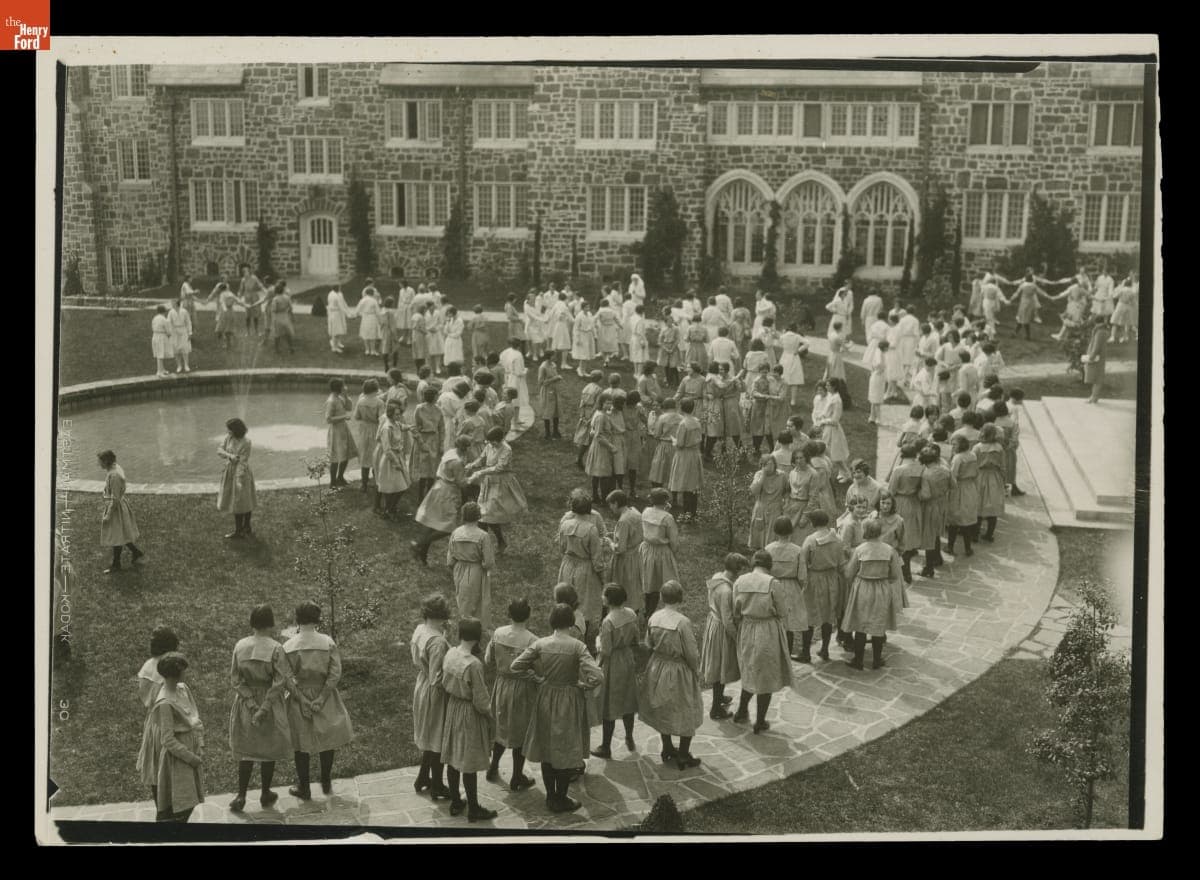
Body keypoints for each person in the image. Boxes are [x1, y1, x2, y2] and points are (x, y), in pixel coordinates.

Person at [510, 603, 605, 814]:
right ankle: (560, 798)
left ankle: (551, 797)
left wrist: (537, 679)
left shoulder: (541, 644)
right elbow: (597, 675)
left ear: (552, 621)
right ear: (571, 622)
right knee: (566, 748)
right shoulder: (577, 646)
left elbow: (515, 666)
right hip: (569, 700)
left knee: (547, 748)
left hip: (546, 698)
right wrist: (584, 685)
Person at [282, 601, 354, 802]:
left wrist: (303, 699)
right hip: (325, 695)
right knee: (327, 735)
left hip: (299, 695)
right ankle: (326, 780)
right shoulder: (327, 642)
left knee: (301, 741)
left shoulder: (288, 646)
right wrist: (322, 697)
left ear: (297, 619)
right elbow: (335, 673)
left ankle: (304, 787)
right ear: (317, 619)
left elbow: (286, 677)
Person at [228, 604, 295, 812]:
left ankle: (241, 795)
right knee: (268, 748)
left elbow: (236, 679)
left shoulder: (240, 646)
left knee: (248, 749)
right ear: (271, 623)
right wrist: (264, 708)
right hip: (269, 702)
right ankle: (265, 792)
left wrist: (250, 703)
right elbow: (280, 681)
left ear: (252, 623)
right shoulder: (276, 648)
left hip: (246, 705)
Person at [635, 580, 703, 770]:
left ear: (662, 598)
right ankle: (682, 754)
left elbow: (648, 644)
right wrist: (695, 669)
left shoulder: (654, 618)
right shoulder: (682, 622)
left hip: (658, 667)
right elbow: (691, 652)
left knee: (663, 708)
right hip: (679, 669)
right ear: (680, 598)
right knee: (686, 709)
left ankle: (667, 747)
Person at [437, 618, 499, 822]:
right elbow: (481, 700)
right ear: (478, 637)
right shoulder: (473, 664)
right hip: (469, 713)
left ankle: (456, 801)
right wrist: (491, 717)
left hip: (453, 708)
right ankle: (473, 808)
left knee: (454, 757)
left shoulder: (451, 653)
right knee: (468, 761)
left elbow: (443, 682)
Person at [136, 652, 204, 822]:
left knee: (190, 800)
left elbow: (195, 716)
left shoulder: (183, 689)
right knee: (179, 804)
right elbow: (167, 739)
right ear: (177, 672)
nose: (186, 673)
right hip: (178, 760)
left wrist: (199, 744)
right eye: (184, 670)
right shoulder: (164, 702)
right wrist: (191, 758)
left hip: (191, 749)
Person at [731, 550, 794, 734]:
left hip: (747, 628)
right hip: (766, 629)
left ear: (753, 564)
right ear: (769, 565)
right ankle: (759, 721)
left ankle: (742, 711)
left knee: (750, 670)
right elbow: (782, 611)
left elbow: (735, 610)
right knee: (766, 674)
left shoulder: (740, 581)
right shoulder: (773, 583)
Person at [484, 598, 539, 791]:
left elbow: (488, 658)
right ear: (529, 614)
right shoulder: (532, 640)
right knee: (520, 732)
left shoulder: (498, 633)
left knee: (502, 726)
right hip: (522, 688)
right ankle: (517, 776)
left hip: (502, 685)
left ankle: (493, 767)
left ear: (509, 614)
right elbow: (538, 668)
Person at [841, 520, 905, 670]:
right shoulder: (889, 550)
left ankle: (858, 660)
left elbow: (849, 573)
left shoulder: (860, 550)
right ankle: (877, 659)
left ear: (866, 532)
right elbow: (895, 575)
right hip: (882, 588)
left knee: (860, 625)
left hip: (863, 587)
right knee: (879, 623)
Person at [589, 584, 641, 759]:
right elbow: (636, 638)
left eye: (604, 595)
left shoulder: (608, 621)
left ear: (609, 600)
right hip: (627, 659)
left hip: (613, 664)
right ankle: (629, 737)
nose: (601, 597)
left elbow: (606, 650)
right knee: (627, 699)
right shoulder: (632, 614)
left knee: (608, 704)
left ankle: (605, 746)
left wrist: (598, 657)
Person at [410, 594, 453, 800]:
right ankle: (437, 784)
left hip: (422, 684)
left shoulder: (421, 630)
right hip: (434, 691)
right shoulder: (438, 642)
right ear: (444, 615)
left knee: (430, 735)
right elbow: (438, 677)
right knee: (437, 737)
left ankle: (422, 778)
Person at [701, 553, 748, 720]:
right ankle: (715, 709)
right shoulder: (726, 590)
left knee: (718, 664)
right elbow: (728, 621)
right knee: (721, 667)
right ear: (737, 570)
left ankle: (719, 698)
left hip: (713, 623)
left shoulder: (717, 577)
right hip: (721, 629)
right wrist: (738, 638)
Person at [799, 509, 847, 660]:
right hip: (832, 579)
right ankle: (824, 649)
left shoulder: (810, 540)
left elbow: (802, 563)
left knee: (809, 615)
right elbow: (841, 564)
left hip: (814, 579)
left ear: (813, 523)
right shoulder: (838, 539)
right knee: (827, 616)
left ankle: (806, 652)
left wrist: (801, 581)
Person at [446, 502, 496, 630]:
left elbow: (450, 559)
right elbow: (489, 561)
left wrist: (455, 566)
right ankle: (473, 627)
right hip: (476, 569)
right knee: (478, 600)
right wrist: (483, 566)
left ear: (463, 516)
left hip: (458, 568)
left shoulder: (456, 533)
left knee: (462, 598)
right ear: (478, 516)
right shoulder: (483, 536)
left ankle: (466, 622)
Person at [764, 516, 808, 662]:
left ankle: (775, 656)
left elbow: (764, 571)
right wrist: (800, 587)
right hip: (791, 586)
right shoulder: (797, 550)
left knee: (774, 621)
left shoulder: (768, 549)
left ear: (775, 532)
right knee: (788, 624)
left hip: (772, 584)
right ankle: (787, 657)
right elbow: (802, 575)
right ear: (791, 531)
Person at [97, 450, 144, 574]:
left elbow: (115, 498)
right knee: (121, 533)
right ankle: (136, 552)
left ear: (106, 461)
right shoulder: (115, 468)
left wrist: (108, 514)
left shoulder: (114, 475)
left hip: (116, 508)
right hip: (117, 506)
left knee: (117, 535)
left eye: (100, 461)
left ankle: (116, 564)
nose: (99, 464)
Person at [888, 443, 925, 583]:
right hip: (914, 502)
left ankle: (904, 571)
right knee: (909, 534)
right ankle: (905, 569)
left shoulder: (899, 470)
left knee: (900, 535)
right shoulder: (921, 468)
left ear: (902, 455)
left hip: (901, 502)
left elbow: (891, 490)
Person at [605, 490, 645, 616]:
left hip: (625, 560)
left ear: (616, 503)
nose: (610, 508)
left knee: (623, 587)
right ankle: (635, 614)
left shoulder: (623, 521)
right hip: (637, 555)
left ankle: (622, 616)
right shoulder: (635, 512)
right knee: (634, 588)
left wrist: (610, 542)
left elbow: (620, 549)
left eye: (611, 505)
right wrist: (616, 535)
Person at [217, 418, 256, 540]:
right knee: (236, 501)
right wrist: (230, 456)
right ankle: (240, 530)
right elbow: (219, 450)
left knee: (244, 500)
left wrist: (239, 480)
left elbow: (242, 461)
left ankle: (246, 527)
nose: (228, 431)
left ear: (236, 430)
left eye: (230, 429)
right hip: (230, 472)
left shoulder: (246, 442)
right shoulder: (228, 438)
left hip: (242, 472)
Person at [917, 445, 952, 577]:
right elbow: (953, 485)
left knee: (929, 536)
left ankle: (928, 568)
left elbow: (925, 495)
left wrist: (917, 494)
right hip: (942, 503)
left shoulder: (926, 474)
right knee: (936, 532)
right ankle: (937, 557)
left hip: (930, 506)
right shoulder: (945, 469)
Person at [668, 398, 704, 522]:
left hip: (684, 455)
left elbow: (680, 443)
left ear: (681, 408)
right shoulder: (697, 421)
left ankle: (687, 514)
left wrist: (674, 441)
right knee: (693, 484)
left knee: (685, 484)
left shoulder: (683, 424)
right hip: (695, 454)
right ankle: (693, 513)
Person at [411, 387, 446, 502]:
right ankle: (421, 496)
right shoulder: (419, 409)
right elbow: (414, 427)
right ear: (433, 397)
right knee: (422, 466)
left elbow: (442, 428)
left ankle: (429, 496)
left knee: (432, 467)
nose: (437, 397)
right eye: (436, 396)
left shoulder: (439, 410)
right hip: (422, 439)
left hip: (434, 440)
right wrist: (420, 442)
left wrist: (441, 445)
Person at [973, 424, 1006, 543]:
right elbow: (1003, 466)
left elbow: (973, 463)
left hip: (980, 477)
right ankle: (989, 534)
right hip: (994, 477)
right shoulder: (999, 448)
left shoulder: (977, 448)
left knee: (978, 504)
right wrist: (1004, 480)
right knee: (993, 505)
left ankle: (975, 534)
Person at [748, 454, 787, 552]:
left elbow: (787, 491)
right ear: (762, 465)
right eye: (766, 464)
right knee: (759, 531)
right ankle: (759, 552)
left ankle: (771, 552)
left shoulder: (782, 475)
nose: (769, 467)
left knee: (773, 532)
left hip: (776, 506)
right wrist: (763, 476)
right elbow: (754, 491)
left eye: (771, 464)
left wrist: (785, 502)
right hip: (761, 506)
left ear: (775, 464)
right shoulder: (759, 474)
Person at [324, 378, 358, 489]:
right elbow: (328, 419)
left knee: (345, 454)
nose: (345, 387)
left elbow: (349, 407)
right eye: (344, 386)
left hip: (343, 429)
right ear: (338, 388)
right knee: (335, 457)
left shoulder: (340, 398)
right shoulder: (331, 401)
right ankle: (332, 482)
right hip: (336, 432)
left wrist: (346, 395)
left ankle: (340, 477)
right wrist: (343, 417)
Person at [647, 398, 681, 489]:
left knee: (658, 472)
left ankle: (657, 493)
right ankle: (674, 498)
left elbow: (657, 434)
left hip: (664, 445)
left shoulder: (662, 417)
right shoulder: (681, 418)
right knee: (674, 471)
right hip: (676, 447)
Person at [1083, 315, 1109, 404]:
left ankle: (1094, 397)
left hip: (1097, 358)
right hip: (1100, 357)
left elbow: (1097, 346)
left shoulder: (1100, 331)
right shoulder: (1101, 330)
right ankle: (1093, 396)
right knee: (1096, 377)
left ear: (1096, 322)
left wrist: (1091, 357)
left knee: (1097, 378)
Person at [498, 338, 529, 412]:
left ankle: (507, 416)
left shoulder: (505, 352)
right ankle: (515, 419)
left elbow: (500, 363)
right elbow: (519, 372)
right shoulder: (518, 355)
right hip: (515, 379)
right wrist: (525, 370)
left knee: (507, 396)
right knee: (516, 398)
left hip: (506, 376)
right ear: (519, 345)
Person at [537, 353, 563, 440]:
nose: (555, 357)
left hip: (555, 390)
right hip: (547, 392)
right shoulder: (543, 367)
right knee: (547, 412)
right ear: (548, 357)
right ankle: (547, 434)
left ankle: (556, 431)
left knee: (556, 411)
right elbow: (541, 382)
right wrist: (555, 378)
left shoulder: (553, 364)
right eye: (553, 356)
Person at [656, 306, 681, 387]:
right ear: (665, 322)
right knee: (666, 365)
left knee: (673, 365)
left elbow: (677, 339)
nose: (671, 323)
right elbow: (660, 341)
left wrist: (673, 348)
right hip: (665, 348)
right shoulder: (663, 329)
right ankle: (669, 381)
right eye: (669, 322)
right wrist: (665, 348)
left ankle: (677, 382)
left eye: (672, 321)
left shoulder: (676, 329)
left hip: (673, 347)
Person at [268, 282, 295, 355]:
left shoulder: (275, 299)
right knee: (287, 333)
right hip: (285, 316)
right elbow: (291, 307)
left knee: (277, 334)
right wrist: (290, 315)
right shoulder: (287, 297)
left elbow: (273, 310)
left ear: (276, 291)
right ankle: (291, 347)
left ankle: (277, 349)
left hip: (278, 317)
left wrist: (273, 319)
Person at [168, 299, 193, 374]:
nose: (172, 304)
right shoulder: (171, 312)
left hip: (183, 330)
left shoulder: (184, 311)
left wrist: (190, 332)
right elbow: (168, 322)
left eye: (173, 303)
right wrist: (169, 332)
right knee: (176, 349)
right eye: (172, 303)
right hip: (174, 331)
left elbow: (188, 322)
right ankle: (179, 366)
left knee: (184, 348)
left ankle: (186, 365)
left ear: (177, 303)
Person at [150, 305, 175, 379]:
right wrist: (169, 335)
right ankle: (159, 372)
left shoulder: (155, 318)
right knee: (160, 354)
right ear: (164, 311)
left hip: (155, 336)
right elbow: (168, 331)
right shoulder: (164, 319)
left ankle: (162, 369)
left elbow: (153, 327)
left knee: (160, 353)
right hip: (161, 337)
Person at [326, 285, 351, 353]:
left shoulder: (333, 293)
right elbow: (341, 306)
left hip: (335, 314)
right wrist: (348, 314)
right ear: (337, 289)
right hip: (336, 314)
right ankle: (334, 347)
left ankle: (337, 343)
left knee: (339, 329)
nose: (340, 289)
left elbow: (343, 303)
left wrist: (348, 311)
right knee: (336, 331)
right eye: (339, 288)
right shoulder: (335, 296)